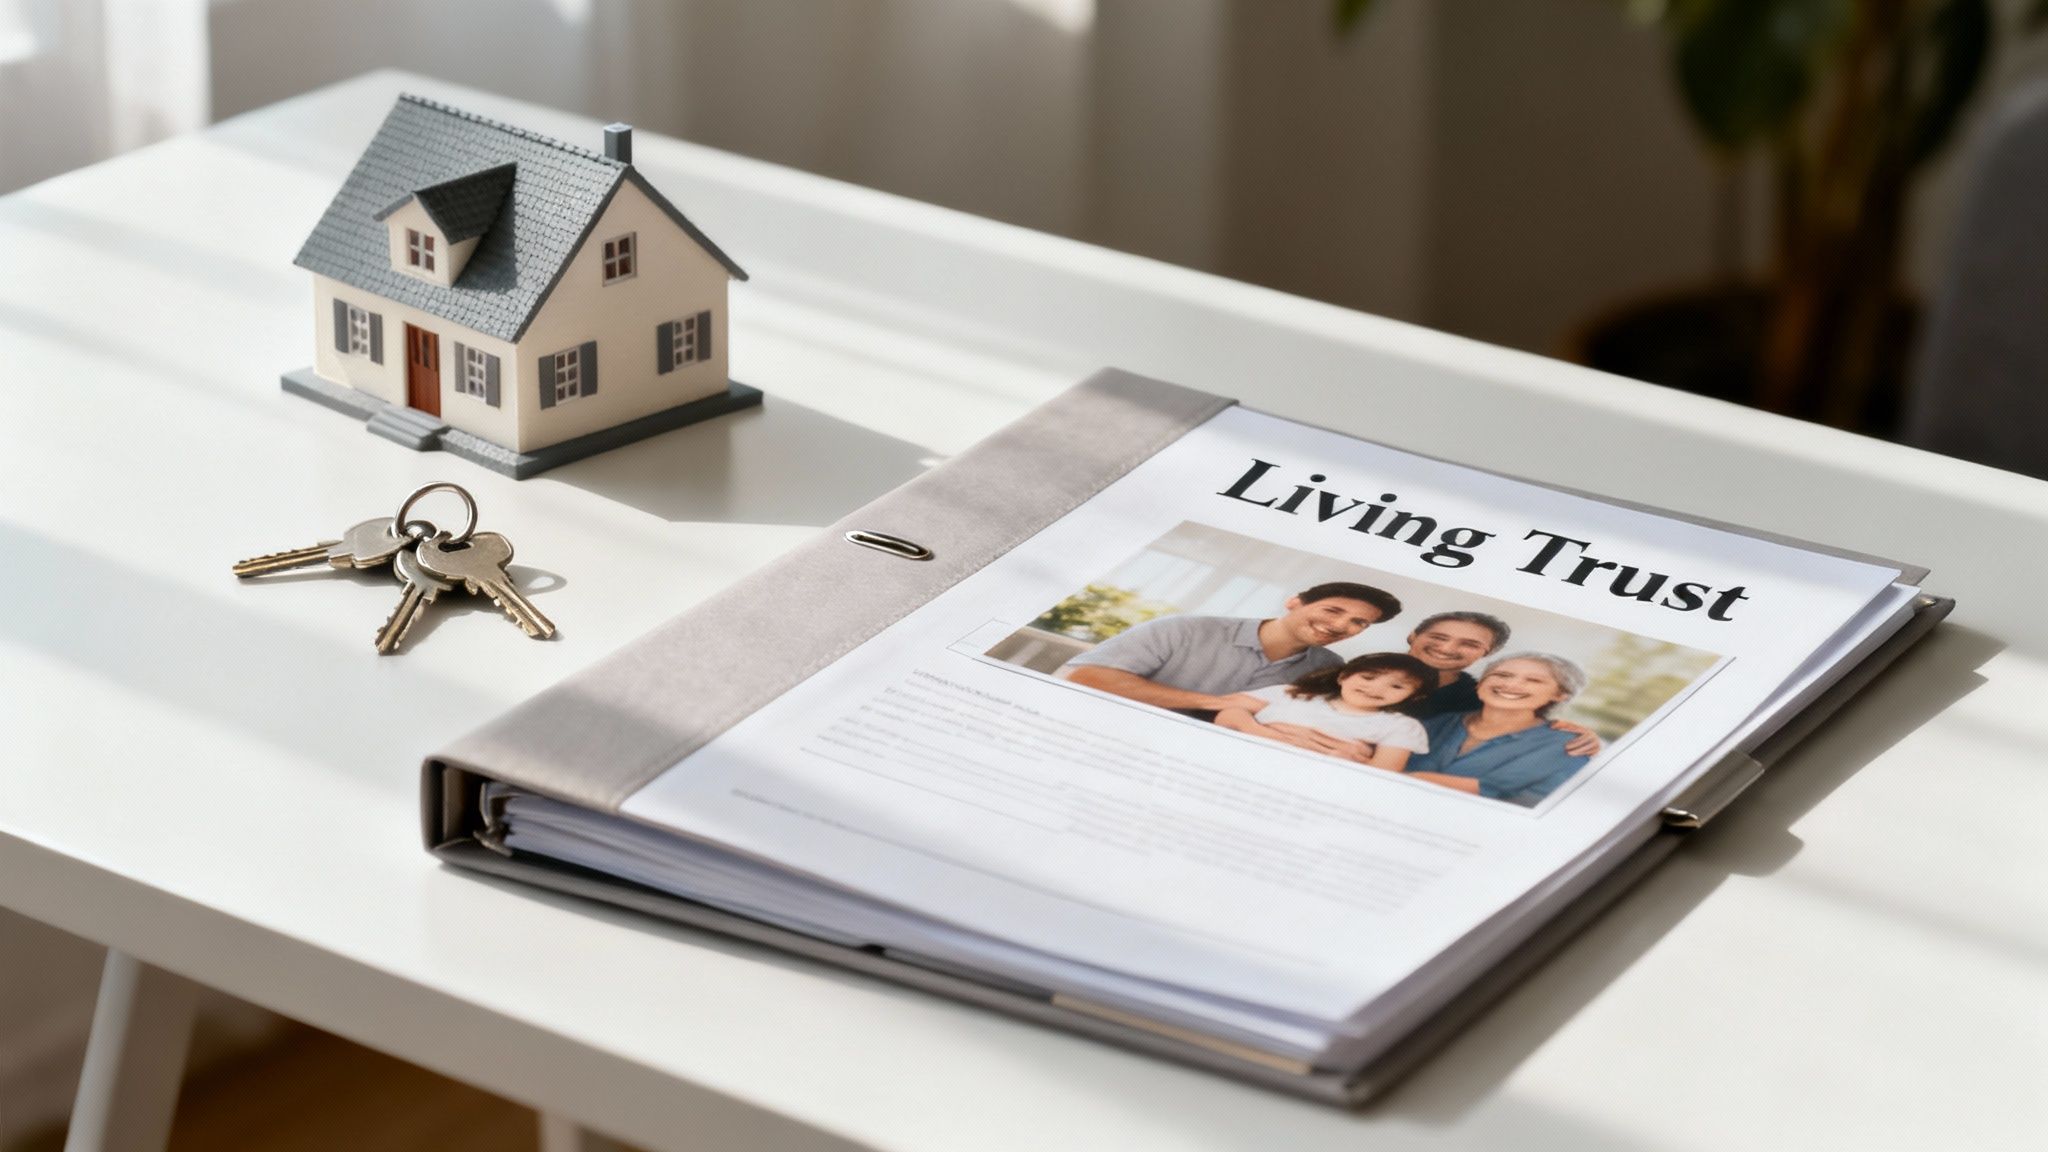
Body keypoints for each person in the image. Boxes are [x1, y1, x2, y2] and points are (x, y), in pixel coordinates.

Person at [1059, 581, 1403, 715]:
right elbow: (1085, 676)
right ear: (1294, 602)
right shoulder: (1185, 628)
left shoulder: (1331, 668)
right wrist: (1215, 702)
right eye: (1333, 610)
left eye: (1359, 623)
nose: (1341, 626)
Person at [1402, 653, 1594, 807]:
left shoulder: (1567, 745)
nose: (1511, 685)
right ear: (1480, 683)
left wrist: (1405, 776)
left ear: (1560, 695)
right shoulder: (1436, 723)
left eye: (1534, 680)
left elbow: (1490, 790)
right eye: (1502, 675)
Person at [1213, 652, 1436, 769]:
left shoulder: (1401, 726)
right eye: (1368, 677)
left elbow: (1385, 771)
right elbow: (1228, 714)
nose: (1376, 688)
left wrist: (1347, 758)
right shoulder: (1295, 693)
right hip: (1240, 761)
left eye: (1397, 687)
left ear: (1413, 696)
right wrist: (1263, 733)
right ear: (1343, 677)